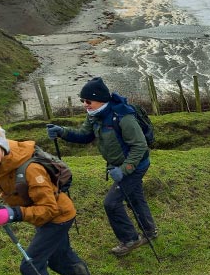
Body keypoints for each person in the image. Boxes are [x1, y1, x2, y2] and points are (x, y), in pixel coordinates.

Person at [0, 123, 97, 275]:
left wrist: (13, 213)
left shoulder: (31, 168)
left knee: (31, 264)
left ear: (2, 147)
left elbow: (48, 209)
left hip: (57, 216)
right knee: (59, 255)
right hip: (45, 217)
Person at [46, 77, 157, 257]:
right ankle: (150, 232)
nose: (84, 104)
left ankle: (130, 239)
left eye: (88, 101)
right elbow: (84, 135)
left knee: (111, 203)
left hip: (135, 165)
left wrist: (124, 170)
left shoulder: (123, 117)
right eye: (82, 101)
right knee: (135, 198)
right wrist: (62, 131)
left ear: (100, 99)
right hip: (119, 166)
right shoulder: (95, 115)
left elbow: (140, 145)